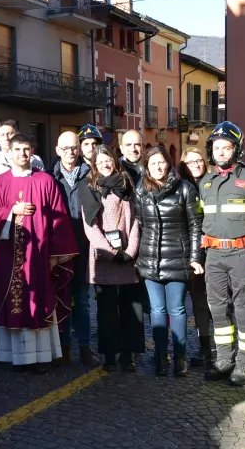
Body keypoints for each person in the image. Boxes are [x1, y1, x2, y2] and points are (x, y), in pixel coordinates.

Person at [0, 133, 78, 372]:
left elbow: (59, 219)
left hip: (39, 256)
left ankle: (41, 356)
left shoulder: (45, 181)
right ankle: (10, 355)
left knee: (39, 301)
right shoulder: (0, 182)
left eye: (27, 149)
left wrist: (55, 254)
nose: (23, 154)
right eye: (18, 150)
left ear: (32, 151)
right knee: (12, 301)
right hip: (8, 258)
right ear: (10, 153)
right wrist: (11, 210)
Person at [199, 121, 245, 385]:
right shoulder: (205, 182)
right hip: (213, 256)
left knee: (244, 310)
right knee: (217, 309)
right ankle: (224, 359)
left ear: (236, 150)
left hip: (242, 255)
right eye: (217, 148)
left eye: (226, 148)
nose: (221, 152)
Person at [136, 146, 203, 377]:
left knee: (177, 309)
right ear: (146, 166)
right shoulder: (141, 189)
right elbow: (140, 222)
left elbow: (196, 225)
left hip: (179, 258)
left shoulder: (185, 189)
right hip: (150, 259)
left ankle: (180, 357)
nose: (157, 167)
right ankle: (161, 356)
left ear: (169, 164)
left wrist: (195, 257)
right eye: (152, 163)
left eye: (161, 162)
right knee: (156, 310)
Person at [80, 145, 143, 372]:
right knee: (106, 311)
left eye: (108, 159)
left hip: (126, 257)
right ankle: (108, 354)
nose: (105, 164)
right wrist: (109, 251)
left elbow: (135, 220)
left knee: (130, 309)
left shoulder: (126, 184)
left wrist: (130, 250)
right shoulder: (89, 187)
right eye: (100, 161)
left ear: (114, 160)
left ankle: (129, 354)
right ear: (95, 166)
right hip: (103, 258)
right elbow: (90, 226)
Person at [51, 131, 99, 367]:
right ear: (58, 151)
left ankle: (84, 346)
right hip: (58, 250)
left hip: (83, 247)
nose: (71, 152)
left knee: (82, 301)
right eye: (66, 148)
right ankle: (63, 345)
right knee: (61, 299)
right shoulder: (49, 177)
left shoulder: (91, 176)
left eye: (74, 148)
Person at [178, 146, 214, 370]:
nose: (197, 165)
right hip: (192, 254)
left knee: (219, 304)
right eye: (191, 162)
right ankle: (205, 348)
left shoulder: (214, 184)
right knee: (199, 303)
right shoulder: (180, 187)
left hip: (215, 251)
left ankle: (224, 348)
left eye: (199, 160)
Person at [0, 119, 44, 204]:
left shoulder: (35, 161)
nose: (6, 138)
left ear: (17, 135)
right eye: (2, 135)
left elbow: (43, 189)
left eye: (10, 134)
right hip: (3, 213)